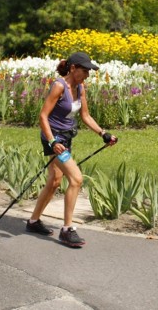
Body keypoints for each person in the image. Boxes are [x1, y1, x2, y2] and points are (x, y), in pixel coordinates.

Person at [26, 51, 117, 247]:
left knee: (55, 181)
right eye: (85, 71)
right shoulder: (59, 86)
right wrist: (51, 142)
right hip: (53, 138)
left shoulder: (80, 88)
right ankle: (67, 230)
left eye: (89, 71)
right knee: (76, 179)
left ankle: (33, 221)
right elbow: (43, 117)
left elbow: (85, 116)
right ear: (73, 68)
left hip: (65, 138)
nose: (87, 75)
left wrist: (104, 134)